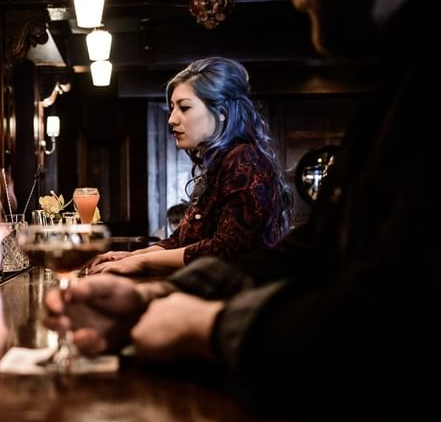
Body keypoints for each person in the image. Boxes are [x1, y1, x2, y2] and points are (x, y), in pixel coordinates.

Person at [45, 0, 441, 422]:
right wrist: (160, 295)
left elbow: (401, 323)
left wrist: (203, 321)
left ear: (221, 111)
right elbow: (309, 256)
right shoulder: (409, 73)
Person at [88, 57, 293, 275]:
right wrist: (134, 256)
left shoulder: (244, 160)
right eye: (172, 107)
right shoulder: (223, 161)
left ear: (222, 111)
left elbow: (227, 250)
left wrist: (143, 262)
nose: (171, 119)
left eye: (184, 108)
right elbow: (184, 239)